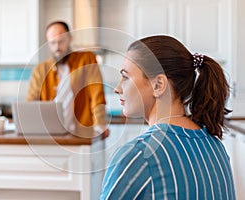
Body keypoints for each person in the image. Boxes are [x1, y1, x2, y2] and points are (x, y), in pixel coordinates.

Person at [100, 35, 235, 199]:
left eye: (125, 77)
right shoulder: (216, 147)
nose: (118, 88)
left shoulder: (138, 155)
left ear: (158, 85)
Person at [26, 21, 108, 138]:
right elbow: (31, 102)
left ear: (70, 39)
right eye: (53, 43)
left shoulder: (86, 59)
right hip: (50, 134)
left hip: (81, 133)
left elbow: (96, 92)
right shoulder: (40, 69)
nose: (57, 47)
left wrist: (100, 122)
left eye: (61, 41)